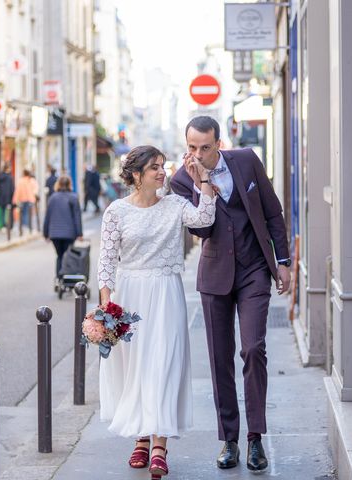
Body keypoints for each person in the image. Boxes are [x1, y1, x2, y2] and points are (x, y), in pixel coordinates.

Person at [170, 116, 291, 472]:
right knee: (219, 359)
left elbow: (273, 212)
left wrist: (283, 261)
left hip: (254, 270)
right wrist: (203, 184)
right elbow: (203, 230)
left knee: (253, 348)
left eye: (205, 148)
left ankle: (256, 438)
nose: (197, 154)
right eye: (191, 147)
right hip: (215, 277)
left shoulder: (247, 160)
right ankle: (230, 439)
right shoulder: (181, 181)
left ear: (218, 145)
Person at [98, 145, 216, 479]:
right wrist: (107, 307)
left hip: (166, 292)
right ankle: (140, 436)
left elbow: (204, 218)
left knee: (163, 364)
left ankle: (160, 444)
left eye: (163, 166)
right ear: (136, 175)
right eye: (154, 168)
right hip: (130, 295)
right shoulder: (116, 212)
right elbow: (106, 261)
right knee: (135, 366)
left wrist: (203, 180)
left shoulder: (176, 205)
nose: (162, 172)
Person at [43, 175, 82, 279]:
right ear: (70, 184)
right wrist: (79, 234)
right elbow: (77, 217)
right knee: (67, 256)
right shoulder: (73, 197)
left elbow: (47, 217)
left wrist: (45, 234)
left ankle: (59, 279)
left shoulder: (52, 197)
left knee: (59, 256)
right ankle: (66, 279)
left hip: (54, 234)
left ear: (58, 184)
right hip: (69, 234)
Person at [0, 163, 15, 228]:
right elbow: (12, 188)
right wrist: (13, 196)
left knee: (2, 211)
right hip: (8, 197)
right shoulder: (10, 177)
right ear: (8, 168)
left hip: (1, 196)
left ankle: (3, 224)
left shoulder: (0, 176)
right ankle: (8, 225)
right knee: (9, 211)